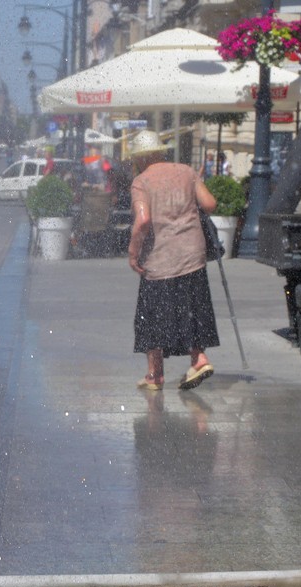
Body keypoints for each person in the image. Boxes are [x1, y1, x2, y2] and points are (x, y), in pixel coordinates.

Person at [126, 130, 220, 391]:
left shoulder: (141, 182)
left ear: (140, 158)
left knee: (151, 315)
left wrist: (133, 253)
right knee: (192, 307)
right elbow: (210, 204)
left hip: (160, 258)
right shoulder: (187, 171)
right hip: (193, 253)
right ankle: (199, 359)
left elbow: (143, 221)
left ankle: (155, 374)